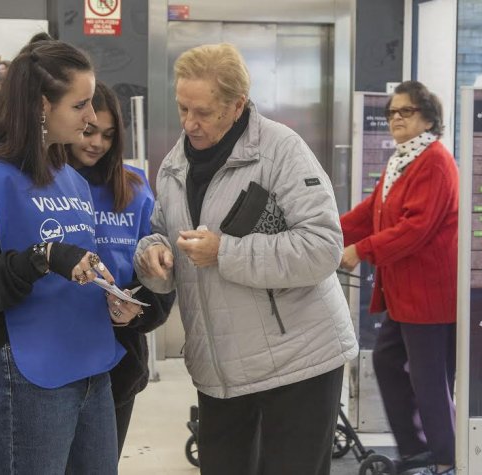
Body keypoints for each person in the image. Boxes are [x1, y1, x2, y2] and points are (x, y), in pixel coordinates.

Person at [133, 43, 358, 475]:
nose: (188, 123)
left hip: (299, 365)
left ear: (237, 106)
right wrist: (153, 256)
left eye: (202, 112)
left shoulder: (282, 151)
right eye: (182, 108)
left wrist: (225, 252)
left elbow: (323, 247)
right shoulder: (175, 164)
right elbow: (159, 231)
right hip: (220, 369)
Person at [0, 39, 127, 474]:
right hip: (27, 377)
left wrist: (112, 297)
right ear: (43, 106)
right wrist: (42, 257)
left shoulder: (72, 181)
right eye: (80, 105)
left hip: (91, 368)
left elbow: (80, 266)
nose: (92, 118)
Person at [340, 80, 458, 475]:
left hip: (429, 295)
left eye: (404, 112)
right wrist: (323, 231)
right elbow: (370, 213)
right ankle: (416, 450)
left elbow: (415, 228)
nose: (395, 119)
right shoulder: (401, 161)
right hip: (403, 294)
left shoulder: (436, 161)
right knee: (388, 362)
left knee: (429, 381)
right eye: (391, 112)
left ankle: (445, 459)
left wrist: (361, 251)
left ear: (428, 117)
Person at [65, 80, 175, 456]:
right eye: (88, 131)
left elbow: (159, 277)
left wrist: (135, 312)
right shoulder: (42, 186)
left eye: (108, 135)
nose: (97, 143)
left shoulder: (134, 189)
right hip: (52, 354)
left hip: (117, 361)